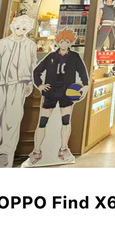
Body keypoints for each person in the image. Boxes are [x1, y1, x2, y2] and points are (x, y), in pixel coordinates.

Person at [27, 29, 89, 165]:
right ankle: (36, 150)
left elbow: (82, 72)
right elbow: (37, 71)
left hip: (67, 92)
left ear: (70, 42)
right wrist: (40, 85)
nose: (64, 44)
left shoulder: (74, 57)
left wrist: (85, 85)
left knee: (66, 120)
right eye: (61, 41)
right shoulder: (51, 56)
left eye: (66, 41)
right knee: (42, 121)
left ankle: (64, 148)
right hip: (50, 91)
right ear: (57, 42)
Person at [0, 15, 37, 167]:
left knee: (13, 118)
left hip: (18, 85)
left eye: (24, 29)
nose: (20, 31)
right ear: (13, 26)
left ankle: (4, 151)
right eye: (18, 27)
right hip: (0, 84)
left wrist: (29, 82)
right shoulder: (1, 44)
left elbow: (33, 64)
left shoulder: (30, 45)